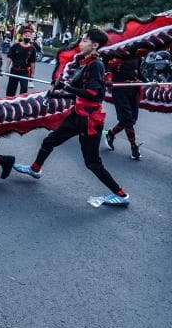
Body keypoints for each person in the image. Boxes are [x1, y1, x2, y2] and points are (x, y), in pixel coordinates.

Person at [13, 29, 130, 206]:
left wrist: (65, 87)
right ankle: (35, 169)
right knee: (49, 141)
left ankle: (121, 195)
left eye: (84, 41)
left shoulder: (95, 65)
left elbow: (93, 94)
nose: (81, 44)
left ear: (95, 45)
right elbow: (80, 95)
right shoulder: (86, 63)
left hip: (90, 120)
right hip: (78, 114)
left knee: (92, 162)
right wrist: (57, 95)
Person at [103, 56, 143, 159]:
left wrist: (151, 83)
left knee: (130, 120)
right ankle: (134, 147)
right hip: (119, 90)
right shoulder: (114, 54)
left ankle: (110, 133)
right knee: (127, 119)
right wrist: (107, 80)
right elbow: (106, 72)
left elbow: (138, 73)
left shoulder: (137, 56)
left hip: (133, 90)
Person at [5, 30, 37, 96]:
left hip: (24, 72)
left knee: (24, 89)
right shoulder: (15, 46)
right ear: (22, 36)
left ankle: (21, 103)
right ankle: (8, 102)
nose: (27, 37)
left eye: (29, 36)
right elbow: (10, 57)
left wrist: (33, 73)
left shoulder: (32, 49)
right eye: (26, 36)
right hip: (14, 70)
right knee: (11, 89)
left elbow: (33, 62)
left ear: (31, 38)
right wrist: (7, 68)